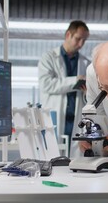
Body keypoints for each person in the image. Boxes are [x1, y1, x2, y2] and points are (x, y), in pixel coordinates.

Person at [38, 20, 90, 157]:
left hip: (76, 120)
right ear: (68, 35)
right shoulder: (48, 58)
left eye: (84, 40)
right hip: (56, 118)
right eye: (78, 39)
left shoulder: (87, 63)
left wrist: (86, 92)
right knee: (52, 161)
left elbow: (90, 99)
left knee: (74, 163)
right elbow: (46, 84)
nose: (81, 44)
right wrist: (76, 80)